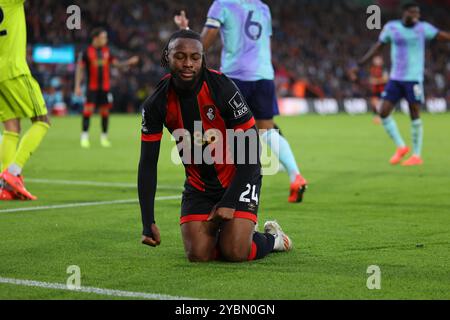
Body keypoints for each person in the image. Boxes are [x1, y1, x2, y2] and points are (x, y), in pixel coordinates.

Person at [138, 30, 292, 262]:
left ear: (203, 58)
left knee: (235, 252)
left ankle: (273, 238)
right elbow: (148, 163)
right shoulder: (156, 103)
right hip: (199, 186)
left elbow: (251, 151)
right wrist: (147, 221)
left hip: (239, 178)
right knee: (198, 255)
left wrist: (230, 201)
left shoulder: (222, 88)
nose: (187, 63)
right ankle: (236, 229)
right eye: (180, 56)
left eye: (194, 57)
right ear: (166, 57)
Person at [174, 1, 308, 203]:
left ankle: (228, 183)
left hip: (235, 76)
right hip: (263, 76)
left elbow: (209, 35)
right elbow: (265, 42)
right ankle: (295, 175)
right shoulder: (263, 7)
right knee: (267, 130)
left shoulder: (222, 4)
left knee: (225, 128)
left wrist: (189, 47)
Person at [350, 2, 450, 166]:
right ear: (405, 12)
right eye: (413, 12)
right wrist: (360, 64)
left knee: (414, 114)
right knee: (383, 112)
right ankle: (401, 147)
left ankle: (416, 155)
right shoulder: (392, 27)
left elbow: (442, 35)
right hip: (396, 79)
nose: (417, 16)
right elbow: (378, 47)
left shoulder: (422, 28)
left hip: (414, 79)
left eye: (418, 13)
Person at [0, 0, 50, 201]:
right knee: (42, 120)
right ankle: (13, 172)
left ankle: (4, 186)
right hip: (14, 70)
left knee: (11, 127)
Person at [74, 27, 139, 148]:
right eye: (103, 37)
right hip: (91, 88)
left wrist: (128, 62)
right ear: (96, 38)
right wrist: (77, 86)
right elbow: (80, 69)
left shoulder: (107, 51)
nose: (106, 39)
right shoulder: (86, 52)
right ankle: (84, 137)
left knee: (105, 113)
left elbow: (117, 65)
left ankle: (104, 138)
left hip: (105, 88)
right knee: (88, 112)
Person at [368, 56, 388, 125]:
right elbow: (370, 79)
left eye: (378, 60)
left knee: (382, 105)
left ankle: (382, 117)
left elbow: (385, 79)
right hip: (375, 90)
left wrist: (376, 81)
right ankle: (376, 117)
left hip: (383, 90)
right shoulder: (372, 69)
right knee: (373, 103)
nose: (376, 61)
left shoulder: (384, 69)